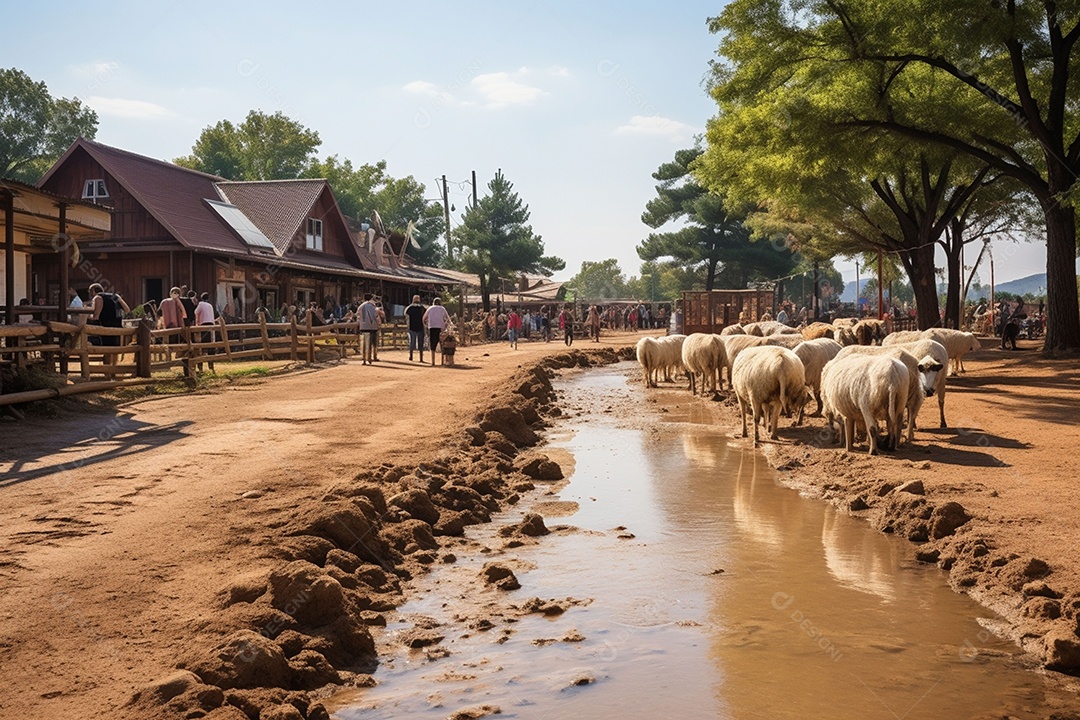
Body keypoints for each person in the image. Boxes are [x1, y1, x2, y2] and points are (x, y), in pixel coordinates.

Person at [89, 282, 130, 364]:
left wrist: (87, 316)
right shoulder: (116, 296)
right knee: (115, 349)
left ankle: (107, 370)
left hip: (106, 326)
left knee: (107, 349)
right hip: (117, 326)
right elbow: (127, 309)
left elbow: (96, 316)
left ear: (93, 291)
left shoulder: (97, 298)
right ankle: (114, 368)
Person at [422, 297, 450, 366]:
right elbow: (447, 318)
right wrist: (446, 325)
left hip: (432, 327)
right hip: (441, 328)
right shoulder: (442, 308)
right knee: (442, 344)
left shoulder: (430, 308)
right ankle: (442, 362)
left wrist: (425, 325)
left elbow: (423, 318)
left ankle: (433, 362)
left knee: (433, 345)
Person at [194, 292, 216, 372]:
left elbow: (196, 312)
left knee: (201, 346)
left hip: (203, 325)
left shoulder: (200, 304)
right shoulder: (210, 305)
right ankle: (211, 366)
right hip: (211, 325)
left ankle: (200, 368)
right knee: (210, 346)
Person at [357, 293, 379, 365]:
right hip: (372, 327)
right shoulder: (373, 306)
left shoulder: (360, 306)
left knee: (363, 343)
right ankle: (370, 357)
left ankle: (364, 358)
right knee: (371, 343)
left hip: (363, 327)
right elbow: (375, 315)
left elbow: (358, 315)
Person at [404, 295, 427, 362]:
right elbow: (426, 316)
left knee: (412, 343)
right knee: (421, 343)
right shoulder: (422, 308)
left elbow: (406, 314)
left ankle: (411, 356)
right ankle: (421, 358)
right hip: (420, 327)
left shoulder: (410, 308)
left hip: (412, 327)